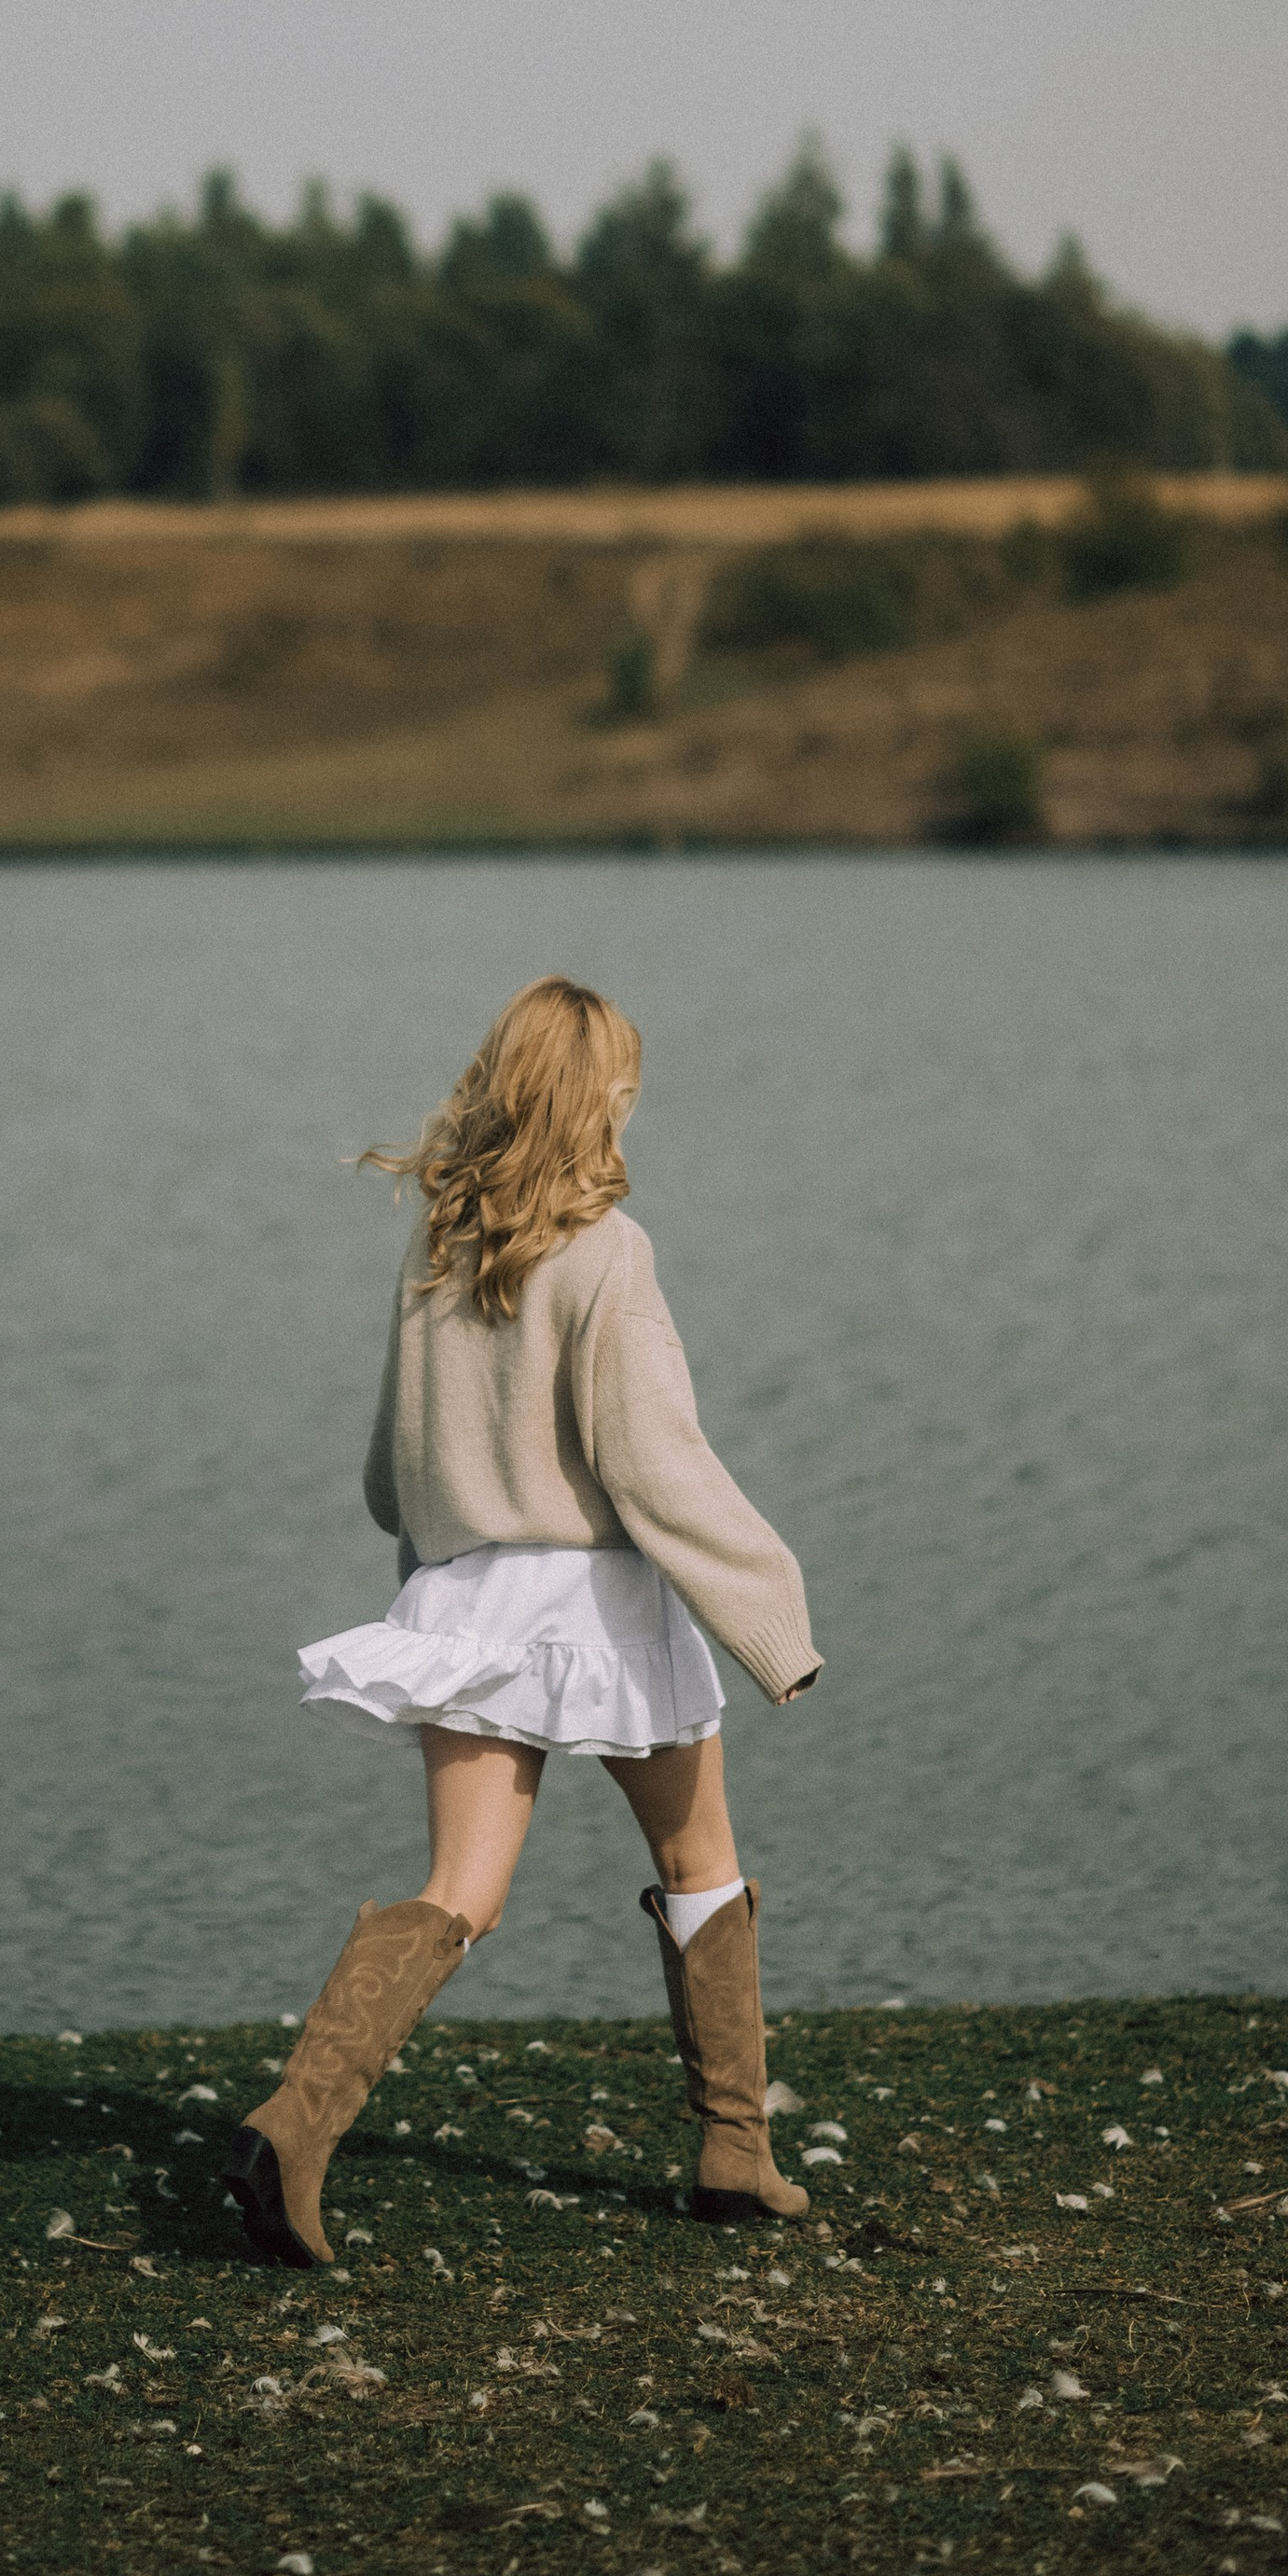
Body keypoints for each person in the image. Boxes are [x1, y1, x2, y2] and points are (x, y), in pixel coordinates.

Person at [224, 972, 823, 2270]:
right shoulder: (611, 1251)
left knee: (462, 1891)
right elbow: (654, 1464)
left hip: (474, 1598)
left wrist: (432, 1554)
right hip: (600, 1607)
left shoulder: (442, 1242)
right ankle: (735, 2151)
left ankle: (295, 2124)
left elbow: (394, 1459)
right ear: (603, 1095)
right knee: (700, 1859)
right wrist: (769, 1614)